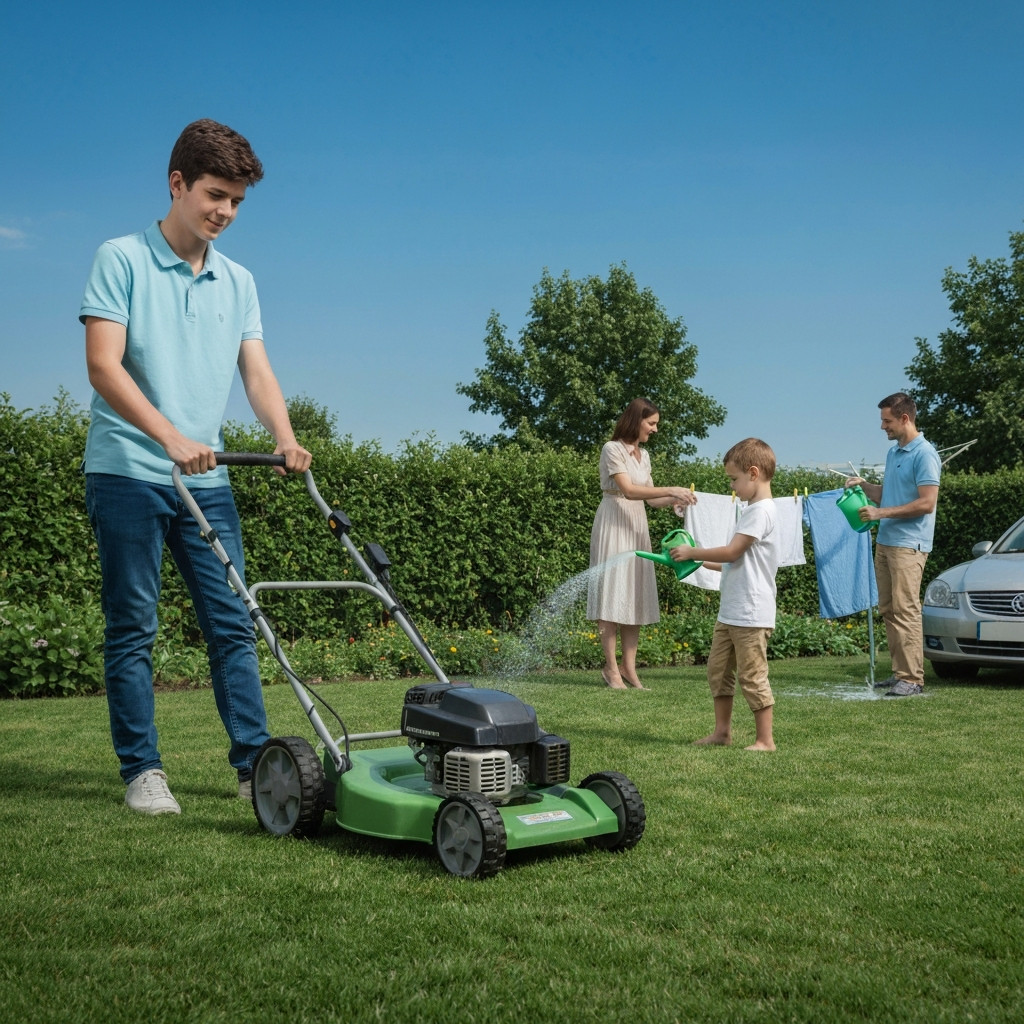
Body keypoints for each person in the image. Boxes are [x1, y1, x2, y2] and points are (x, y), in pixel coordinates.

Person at [81, 119, 311, 815]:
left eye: (237, 202)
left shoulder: (238, 280)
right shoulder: (119, 258)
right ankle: (143, 771)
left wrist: (285, 435)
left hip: (206, 482)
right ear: (177, 184)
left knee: (234, 623)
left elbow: (257, 369)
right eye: (215, 195)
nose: (225, 213)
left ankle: (254, 765)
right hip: (126, 470)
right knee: (134, 625)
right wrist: (171, 436)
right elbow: (103, 366)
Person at [670, 438, 778, 751]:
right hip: (731, 611)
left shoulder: (761, 512)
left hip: (751, 612)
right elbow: (734, 562)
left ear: (753, 473)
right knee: (718, 672)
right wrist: (696, 559)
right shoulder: (750, 511)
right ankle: (722, 733)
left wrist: (692, 549)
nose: (732, 487)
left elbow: (732, 552)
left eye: (734, 480)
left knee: (752, 676)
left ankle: (765, 740)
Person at [587, 398, 697, 689]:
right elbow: (628, 490)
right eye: (652, 423)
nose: (655, 429)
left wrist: (675, 499)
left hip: (636, 525)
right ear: (636, 421)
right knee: (611, 593)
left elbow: (650, 497)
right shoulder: (612, 449)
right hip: (614, 521)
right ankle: (610, 669)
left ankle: (629, 669)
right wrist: (670, 488)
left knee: (634, 593)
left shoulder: (643, 456)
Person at [845, 392, 941, 697]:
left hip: (909, 545)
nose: (882, 427)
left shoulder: (925, 454)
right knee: (889, 608)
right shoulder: (895, 453)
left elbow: (927, 503)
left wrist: (880, 513)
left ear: (904, 418)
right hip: (887, 542)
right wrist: (864, 486)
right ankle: (901, 674)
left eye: (886, 421)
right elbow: (889, 494)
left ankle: (913, 679)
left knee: (906, 609)